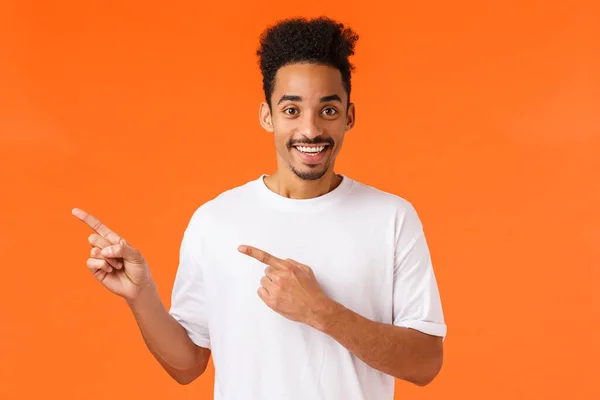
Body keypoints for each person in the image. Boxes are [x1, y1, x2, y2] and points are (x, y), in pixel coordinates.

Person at [72, 16, 447, 400]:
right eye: (291, 110)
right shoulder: (215, 221)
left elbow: (425, 363)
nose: (311, 129)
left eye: (328, 110)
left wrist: (321, 312)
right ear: (267, 116)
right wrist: (142, 296)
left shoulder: (391, 218)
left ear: (349, 117)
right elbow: (187, 366)